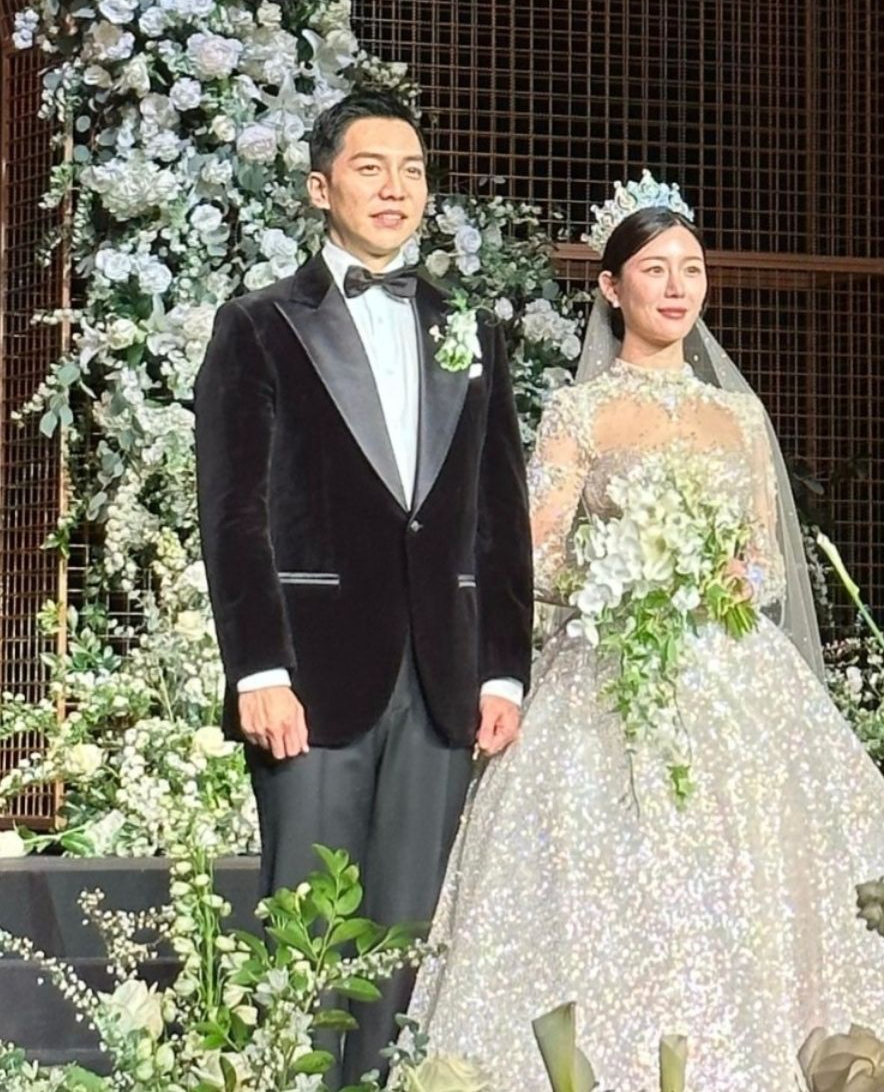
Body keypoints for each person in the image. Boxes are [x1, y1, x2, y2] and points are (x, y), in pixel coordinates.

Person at [400, 178, 884, 1090]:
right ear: (612, 288)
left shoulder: (738, 415)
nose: (677, 286)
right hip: (611, 670)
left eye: (691, 268)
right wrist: (626, 575)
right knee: (619, 873)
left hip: (737, 675)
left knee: (755, 873)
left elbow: (767, 561)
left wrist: (730, 577)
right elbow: (532, 556)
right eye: (654, 269)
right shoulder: (581, 411)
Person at [194, 91, 533, 1085]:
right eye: (370, 167)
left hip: (440, 681)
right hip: (311, 678)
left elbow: (496, 509)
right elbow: (234, 513)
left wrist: (502, 670)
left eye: (412, 170)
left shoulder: (466, 326)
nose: (395, 188)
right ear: (319, 186)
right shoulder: (259, 325)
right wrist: (258, 668)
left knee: (406, 953)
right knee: (305, 946)